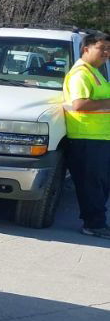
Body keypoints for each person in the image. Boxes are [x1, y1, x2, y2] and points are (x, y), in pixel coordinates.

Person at [63, 31, 110, 238]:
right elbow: (79, 104)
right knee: (92, 185)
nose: (106, 53)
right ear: (86, 49)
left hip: (99, 138)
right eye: (102, 48)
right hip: (87, 139)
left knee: (100, 184)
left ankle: (98, 222)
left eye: (109, 49)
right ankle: (94, 225)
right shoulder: (81, 73)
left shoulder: (95, 71)